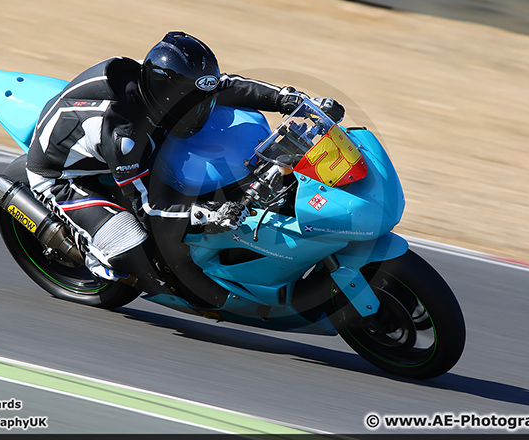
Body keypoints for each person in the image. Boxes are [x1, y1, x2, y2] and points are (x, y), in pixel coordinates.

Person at [25, 31, 344, 285]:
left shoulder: (169, 83)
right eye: (191, 101)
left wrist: (293, 100)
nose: (203, 105)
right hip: (64, 177)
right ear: (168, 96)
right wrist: (207, 213)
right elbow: (147, 206)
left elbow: (228, 86)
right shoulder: (124, 134)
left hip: (131, 138)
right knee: (138, 253)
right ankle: (94, 251)